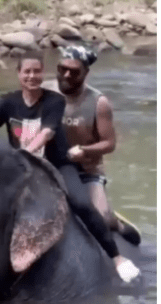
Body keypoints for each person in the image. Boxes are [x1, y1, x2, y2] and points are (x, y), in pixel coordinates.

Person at [0, 51, 140, 283]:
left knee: (81, 204)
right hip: (21, 164)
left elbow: (47, 132)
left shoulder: (55, 100)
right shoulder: (8, 101)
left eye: (37, 71)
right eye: (27, 72)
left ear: (42, 74)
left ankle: (116, 258)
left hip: (57, 163)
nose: (32, 76)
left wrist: (27, 152)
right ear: (18, 74)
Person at [41, 46, 140, 245]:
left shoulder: (98, 102)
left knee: (100, 221)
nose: (66, 75)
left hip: (86, 171)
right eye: (62, 69)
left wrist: (85, 150)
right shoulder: (43, 91)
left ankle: (115, 222)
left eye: (74, 71)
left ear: (86, 73)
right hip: (48, 166)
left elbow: (109, 143)